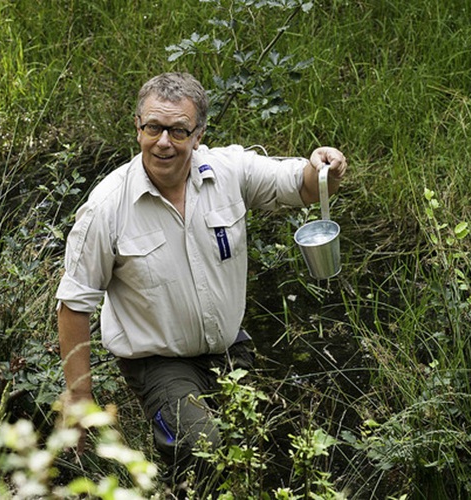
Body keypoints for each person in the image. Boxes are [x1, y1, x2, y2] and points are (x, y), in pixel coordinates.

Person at [55, 72, 347, 490]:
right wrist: (80, 398)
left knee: (251, 456)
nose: (163, 142)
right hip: (158, 362)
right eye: (153, 127)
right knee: (203, 448)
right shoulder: (107, 206)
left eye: (178, 130)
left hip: (231, 350)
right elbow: (74, 303)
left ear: (198, 134)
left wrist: (325, 169)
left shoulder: (227, 170)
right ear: (137, 127)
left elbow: (298, 185)